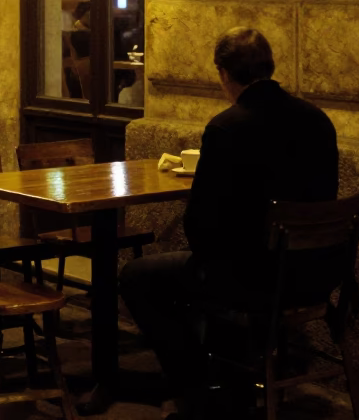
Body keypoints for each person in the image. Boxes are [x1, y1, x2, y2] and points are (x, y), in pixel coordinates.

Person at [118, 27, 339, 419]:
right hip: (315, 275)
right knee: (209, 269)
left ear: (223, 73)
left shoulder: (228, 128)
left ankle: (198, 393)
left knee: (139, 276)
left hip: (253, 281)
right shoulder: (317, 120)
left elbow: (199, 225)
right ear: (270, 67)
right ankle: (226, 374)